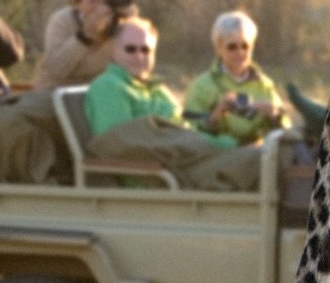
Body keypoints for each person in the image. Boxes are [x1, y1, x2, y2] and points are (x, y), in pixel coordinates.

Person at [84, 18, 260, 191]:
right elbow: (117, 145)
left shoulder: (157, 89)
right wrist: (216, 146)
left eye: (146, 50)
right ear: (114, 51)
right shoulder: (109, 87)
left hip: (188, 163)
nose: (139, 56)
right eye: (130, 49)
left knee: (271, 154)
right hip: (161, 176)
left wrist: (216, 128)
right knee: (262, 161)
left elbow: (185, 128)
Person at [183, 11, 288, 145]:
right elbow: (188, 133)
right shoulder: (201, 86)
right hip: (216, 155)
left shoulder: (265, 85)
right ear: (218, 48)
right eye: (232, 47)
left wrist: (275, 116)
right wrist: (215, 117)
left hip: (256, 155)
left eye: (245, 46)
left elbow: (284, 132)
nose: (240, 52)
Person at [31, 0, 138, 90]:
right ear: (78, 4)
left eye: (104, 1)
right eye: (92, 1)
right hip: (55, 89)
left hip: (96, 91)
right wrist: (84, 37)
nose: (99, 7)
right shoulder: (62, 20)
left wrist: (131, 19)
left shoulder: (118, 23)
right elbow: (57, 69)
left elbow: (134, 65)